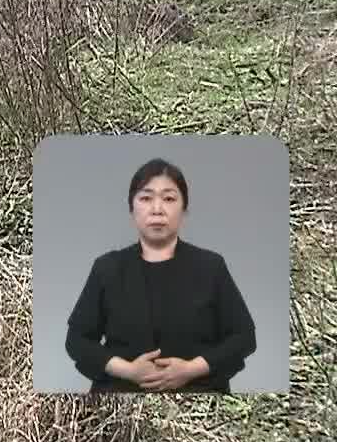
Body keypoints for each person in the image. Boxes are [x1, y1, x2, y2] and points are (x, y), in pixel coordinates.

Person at [64, 158, 256, 393]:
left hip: (200, 396)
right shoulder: (107, 268)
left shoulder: (211, 267)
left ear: (184, 208)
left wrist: (190, 369)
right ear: (132, 208)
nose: (157, 209)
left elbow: (243, 337)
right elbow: (77, 340)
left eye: (169, 198)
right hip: (119, 399)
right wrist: (128, 371)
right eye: (146, 198)